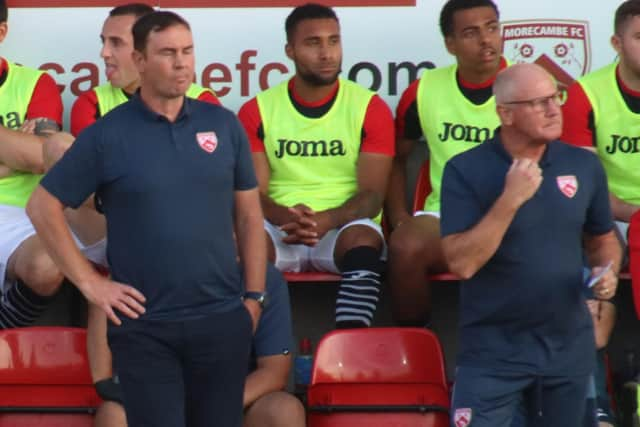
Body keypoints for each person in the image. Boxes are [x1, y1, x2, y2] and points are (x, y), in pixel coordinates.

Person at [27, 11, 265, 427]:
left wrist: (254, 300)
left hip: (221, 321)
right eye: (168, 53)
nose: (182, 63)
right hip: (145, 328)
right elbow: (41, 207)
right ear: (139, 61)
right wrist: (90, 284)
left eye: (188, 51)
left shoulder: (223, 125)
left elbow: (248, 218)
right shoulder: (108, 134)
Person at [440, 63, 621, 427]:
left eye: (556, 97)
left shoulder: (583, 166)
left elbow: (602, 239)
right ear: (504, 113)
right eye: (538, 103)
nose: (554, 109)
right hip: (494, 356)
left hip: (567, 353)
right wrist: (510, 199)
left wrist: (606, 273)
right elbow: (462, 263)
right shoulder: (466, 170)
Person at [238, 3, 394, 329]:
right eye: (313, 43)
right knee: (243, 250)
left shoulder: (369, 107)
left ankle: (349, 349)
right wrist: (286, 218)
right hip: (280, 226)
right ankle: (254, 358)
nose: (327, 53)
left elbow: (372, 197)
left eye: (333, 41)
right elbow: (254, 193)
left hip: (342, 226)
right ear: (290, 50)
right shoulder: (258, 110)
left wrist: (327, 219)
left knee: (365, 244)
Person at [386, 0, 506, 327]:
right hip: (447, 212)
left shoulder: (528, 85)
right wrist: (398, 217)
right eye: (471, 33)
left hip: (516, 209)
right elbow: (397, 159)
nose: (486, 40)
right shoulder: (423, 91)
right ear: (450, 44)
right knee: (405, 246)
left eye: (492, 28)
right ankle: (416, 353)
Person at [86, 264, 305, 427]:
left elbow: (275, 372)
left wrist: (213, 404)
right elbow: (104, 377)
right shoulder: (142, 263)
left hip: (233, 400)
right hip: (155, 398)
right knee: (113, 416)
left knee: (284, 410)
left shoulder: (264, 278)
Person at [0, 0, 67, 328]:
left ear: (2, 33)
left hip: (21, 213)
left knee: (49, 264)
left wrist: (29, 155)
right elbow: (29, 155)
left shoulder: (33, 82)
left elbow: (45, 155)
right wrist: (15, 150)